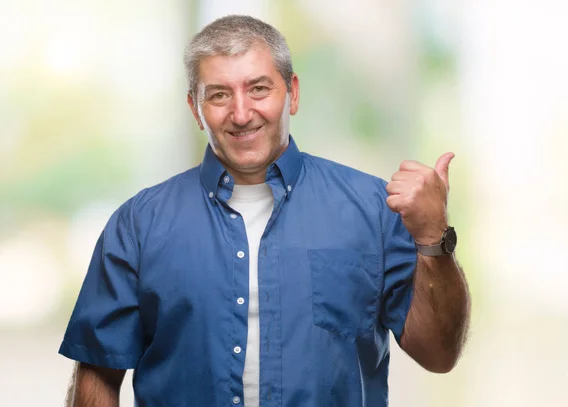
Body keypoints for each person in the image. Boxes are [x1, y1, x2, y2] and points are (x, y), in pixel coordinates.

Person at [59, 15, 470, 407]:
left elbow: (438, 355)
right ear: (194, 108)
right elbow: (97, 372)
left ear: (292, 93)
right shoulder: (137, 225)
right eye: (219, 95)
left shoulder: (372, 209)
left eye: (258, 89)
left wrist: (433, 237)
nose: (241, 114)